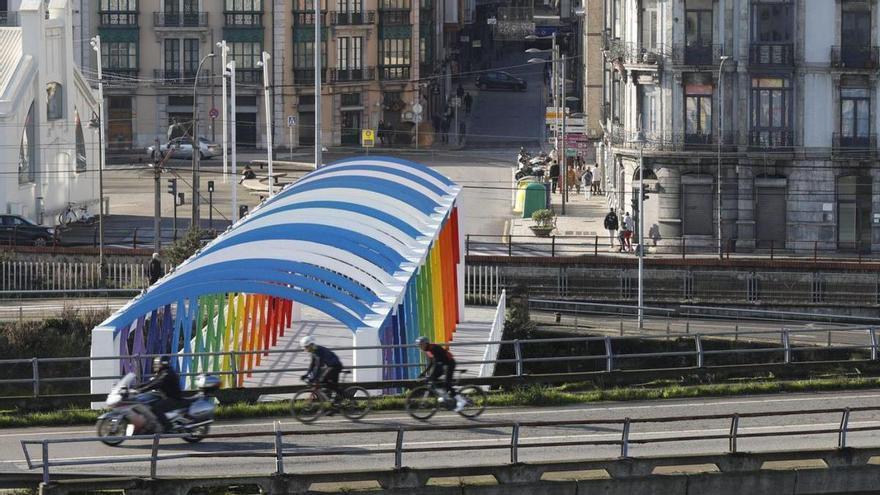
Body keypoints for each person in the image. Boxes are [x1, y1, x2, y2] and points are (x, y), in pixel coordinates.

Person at [415, 336, 466, 412]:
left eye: (421, 345)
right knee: (434, 379)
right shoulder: (428, 350)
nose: (420, 347)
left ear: (426, 344)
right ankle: (444, 395)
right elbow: (431, 363)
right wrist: (423, 373)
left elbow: (436, 363)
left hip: (449, 363)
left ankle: (462, 401)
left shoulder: (433, 348)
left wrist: (430, 375)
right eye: (419, 345)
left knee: (447, 383)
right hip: (443, 364)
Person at [137, 356, 184, 432]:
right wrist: (137, 387)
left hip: (174, 398)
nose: (154, 365)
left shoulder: (167, 373)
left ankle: (168, 427)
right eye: (155, 363)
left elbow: (156, 384)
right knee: (151, 403)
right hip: (166, 397)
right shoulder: (162, 372)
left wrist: (141, 390)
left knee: (157, 407)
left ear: (163, 364)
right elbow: (151, 382)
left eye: (157, 364)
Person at [300, 336, 343, 407]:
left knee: (322, 380)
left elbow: (319, 366)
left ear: (311, 345)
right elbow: (312, 365)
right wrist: (306, 375)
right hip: (331, 366)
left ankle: (343, 395)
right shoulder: (314, 351)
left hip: (335, 366)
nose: (305, 349)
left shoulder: (319, 351)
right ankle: (335, 404)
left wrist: (313, 378)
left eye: (306, 347)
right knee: (328, 384)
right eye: (305, 347)